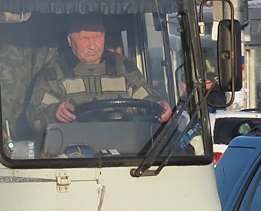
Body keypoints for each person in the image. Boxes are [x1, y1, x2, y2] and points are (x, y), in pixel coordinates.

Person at [23, 13, 171, 130]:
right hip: (75, 156)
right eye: (85, 38)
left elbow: (147, 101)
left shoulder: (124, 67)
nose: (92, 45)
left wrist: (160, 106)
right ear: (70, 40)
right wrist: (53, 112)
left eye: (98, 37)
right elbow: (33, 115)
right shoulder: (55, 71)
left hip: (126, 153)